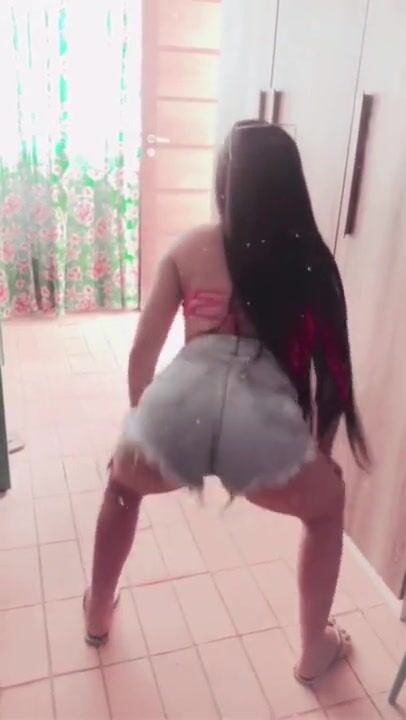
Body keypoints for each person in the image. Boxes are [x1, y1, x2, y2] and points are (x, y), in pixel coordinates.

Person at [84, 121, 369, 685]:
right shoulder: (311, 261)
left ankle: (97, 614)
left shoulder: (190, 247)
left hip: (179, 406)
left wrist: (139, 426)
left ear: (225, 184)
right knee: (325, 508)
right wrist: (317, 453)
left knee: (121, 487)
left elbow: (142, 353)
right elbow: (332, 376)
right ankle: (314, 648)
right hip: (261, 428)